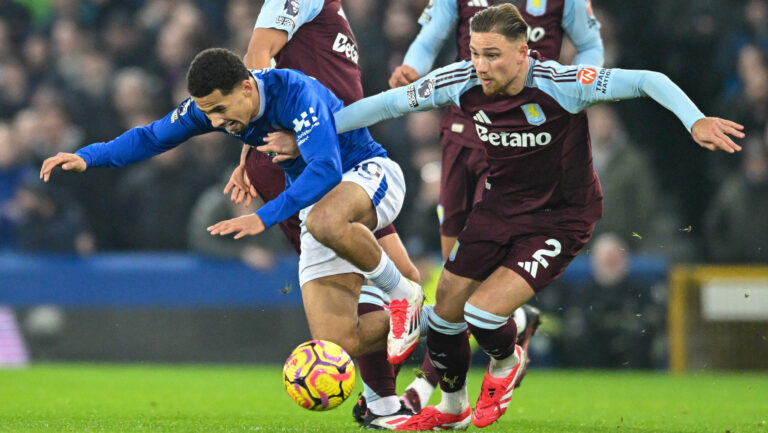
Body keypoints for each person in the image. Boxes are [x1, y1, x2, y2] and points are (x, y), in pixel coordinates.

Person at [330, 4, 743, 429]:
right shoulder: (459, 81)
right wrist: (314, 132)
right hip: (499, 208)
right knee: (444, 314)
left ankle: (507, 361)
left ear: (523, 52)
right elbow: (384, 106)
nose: (480, 65)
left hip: (560, 218)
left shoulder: (564, 83)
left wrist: (694, 121)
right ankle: (452, 409)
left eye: (493, 54)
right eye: (475, 53)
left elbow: (648, 80)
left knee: (485, 315)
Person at [39, 49, 424, 423]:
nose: (216, 122)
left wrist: (264, 217)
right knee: (337, 344)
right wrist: (89, 156)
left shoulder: (295, 93)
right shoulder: (213, 107)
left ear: (246, 87)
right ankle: (436, 319)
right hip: (319, 208)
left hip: (367, 174)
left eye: (220, 110)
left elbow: (325, 168)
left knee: (325, 220)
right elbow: (152, 136)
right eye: (207, 113)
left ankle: (401, 293)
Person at [388, 0, 605, 411]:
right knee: (455, 265)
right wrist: (413, 68)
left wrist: (578, 84)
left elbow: (592, 47)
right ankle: (512, 327)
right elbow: (431, 35)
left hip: (528, 123)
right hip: (462, 125)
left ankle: (424, 390)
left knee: (476, 280)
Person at [230, 0, 421, 427]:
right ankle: (385, 402)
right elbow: (256, 60)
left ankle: (428, 330)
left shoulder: (330, 9)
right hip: (302, 163)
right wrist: (267, 142)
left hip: (342, 156)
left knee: (403, 278)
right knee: (369, 285)